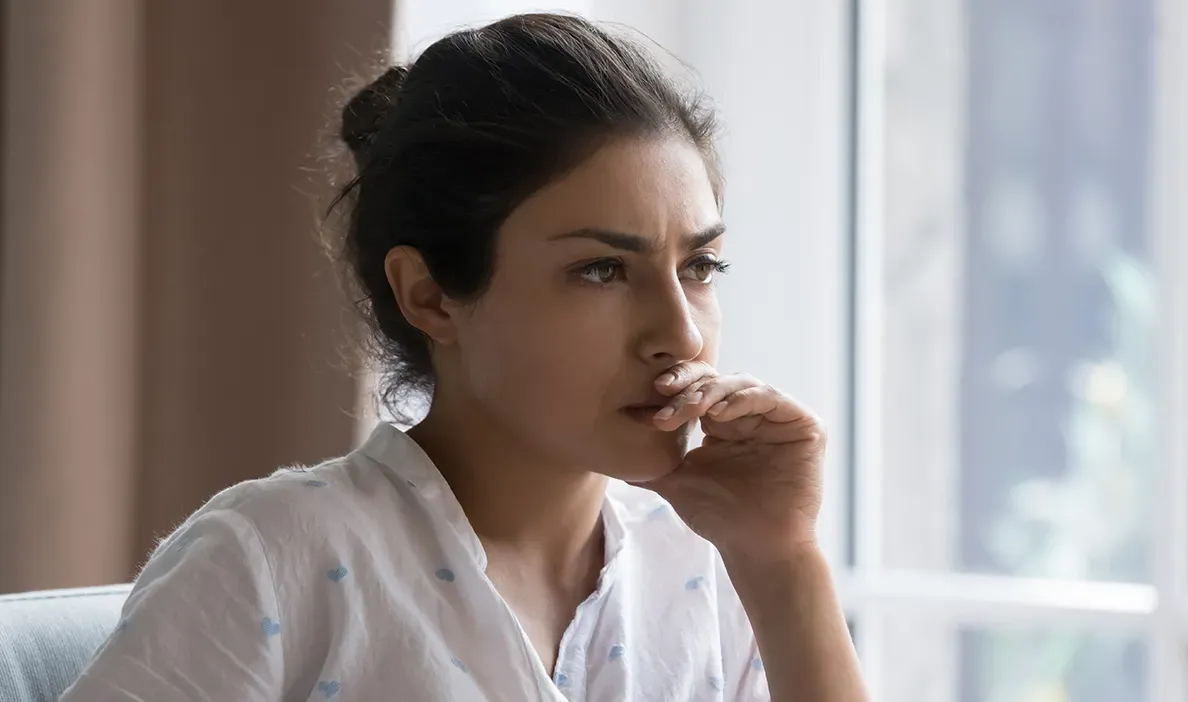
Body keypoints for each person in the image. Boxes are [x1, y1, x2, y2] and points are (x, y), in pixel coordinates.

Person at [60, 12, 867, 702]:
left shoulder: (707, 569)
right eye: (601, 270)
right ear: (431, 297)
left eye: (699, 267)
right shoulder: (271, 559)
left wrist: (783, 561)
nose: (682, 336)